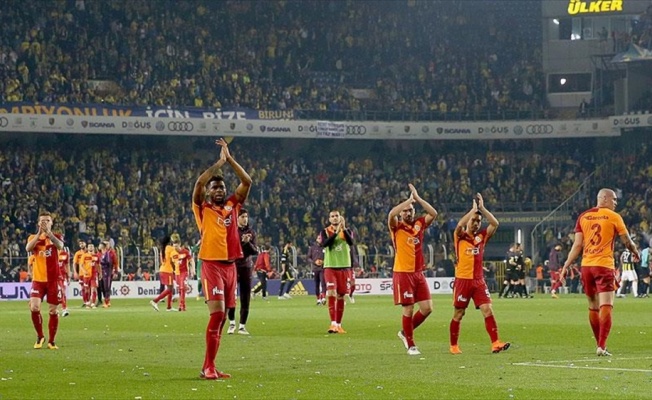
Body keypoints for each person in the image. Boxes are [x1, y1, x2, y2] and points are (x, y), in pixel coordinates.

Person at [192, 138, 252, 380]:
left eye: (222, 187)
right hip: (212, 265)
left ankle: (210, 366)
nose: (219, 190)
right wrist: (218, 164)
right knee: (216, 315)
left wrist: (230, 159)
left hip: (231, 267)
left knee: (223, 317)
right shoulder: (202, 208)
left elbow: (247, 181)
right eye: (215, 187)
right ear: (209, 192)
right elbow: (199, 183)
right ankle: (208, 366)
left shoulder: (232, 205)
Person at [560, 188, 640, 357]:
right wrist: (635, 251)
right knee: (606, 305)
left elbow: (577, 245)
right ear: (603, 198)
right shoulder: (614, 217)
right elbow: (627, 241)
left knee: (592, 306)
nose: (616, 203)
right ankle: (602, 346)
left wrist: (566, 265)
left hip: (586, 266)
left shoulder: (583, 216)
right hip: (604, 266)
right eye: (614, 199)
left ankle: (599, 344)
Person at [449, 193, 511, 355]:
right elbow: (459, 226)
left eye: (478, 221)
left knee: (487, 309)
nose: (476, 223)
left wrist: (482, 209)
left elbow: (495, 223)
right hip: (463, 280)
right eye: (473, 220)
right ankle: (453, 345)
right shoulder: (460, 236)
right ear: (468, 221)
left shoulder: (481, 237)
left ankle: (495, 343)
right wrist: (472, 211)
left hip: (478, 281)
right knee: (459, 313)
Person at [388, 184, 436, 356]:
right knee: (408, 309)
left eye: (411, 210)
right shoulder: (396, 226)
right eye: (405, 211)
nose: (408, 213)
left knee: (427, 308)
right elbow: (391, 214)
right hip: (403, 273)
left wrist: (417, 198)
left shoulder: (419, 224)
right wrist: (408, 200)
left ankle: (404, 332)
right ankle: (411, 344)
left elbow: (433, 214)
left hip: (418, 273)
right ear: (401, 213)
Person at [25, 211, 64, 349]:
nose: (45, 222)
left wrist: (49, 233)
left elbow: (60, 246)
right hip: (38, 280)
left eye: (47, 220)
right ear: (38, 223)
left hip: (53, 280)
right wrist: (39, 234)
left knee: (53, 311)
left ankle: (51, 341)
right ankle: (40, 336)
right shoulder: (33, 238)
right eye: (42, 220)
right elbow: (28, 248)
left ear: (51, 222)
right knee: (34, 307)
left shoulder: (56, 237)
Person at [318, 209, 355, 334]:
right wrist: (335, 232)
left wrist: (343, 229)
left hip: (344, 267)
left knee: (341, 295)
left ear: (340, 217)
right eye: (332, 216)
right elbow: (325, 244)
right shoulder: (325, 231)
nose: (334, 218)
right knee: (331, 292)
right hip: (330, 267)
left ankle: (339, 325)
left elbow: (351, 242)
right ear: (329, 219)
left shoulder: (347, 231)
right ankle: (333, 324)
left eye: (336, 216)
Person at [227, 209, 258, 335]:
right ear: (237, 218)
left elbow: (255, 251)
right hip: (233, 267)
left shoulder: (251, 232)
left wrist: (247, 243)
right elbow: (229, 248)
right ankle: (232, 323)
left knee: (245, 297)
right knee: (231, 296)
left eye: (246, 216)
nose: (245, 219)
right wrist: (241, 242)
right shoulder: (232, 231)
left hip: (246, 267)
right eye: (242, 217)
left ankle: (242, 326)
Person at [150, 234, 179, 312]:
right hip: (167, 270)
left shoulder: (163, 249)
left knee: (170, 288)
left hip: (162, 269)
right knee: (170, 289)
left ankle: (169, 307)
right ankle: (155, 301)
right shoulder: (170, 248)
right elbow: (174, 259)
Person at [174, 242, 195, 311]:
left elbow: (191, 260)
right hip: (177, 273)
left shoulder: (185, 252)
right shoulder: (173, 253)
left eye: (176, 246)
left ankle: (181, 305)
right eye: (174, 246)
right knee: (180, 289)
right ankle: (182, 305)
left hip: (184, 272)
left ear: (179, 245)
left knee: (182, 288)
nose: (175, 248)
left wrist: (193, 270)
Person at [99, 241, 118, 308]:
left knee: (107, 287)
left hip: (107, 271)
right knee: (102, 287)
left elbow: (113, 262)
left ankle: (107, 302)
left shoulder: (110, 253)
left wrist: (115, 271)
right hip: (101, 272)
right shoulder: (100, 253)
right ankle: (106, 300)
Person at [307, 240, 326, 305]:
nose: (320, 239)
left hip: (323, 268)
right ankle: (318, 299)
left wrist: (324, 261)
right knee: (317, 284)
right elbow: (308, 258)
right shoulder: (312, 248)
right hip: (315, 269)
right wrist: (314, 262)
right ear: (317, 240)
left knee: (323, 282)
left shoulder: (325, 247)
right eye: (318, 238)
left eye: (321, 238)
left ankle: (323, 297)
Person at [58, 247, 71, 317]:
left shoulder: (65, 254)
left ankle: (64, 309)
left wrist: (68, 275)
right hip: (55, 276)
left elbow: (67, 265)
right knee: (57, 293)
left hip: (63, 276)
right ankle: (56, 310)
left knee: (63, 292)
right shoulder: (51, 252)